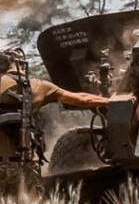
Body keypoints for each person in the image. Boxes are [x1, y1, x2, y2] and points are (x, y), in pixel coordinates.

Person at [1, 46, 108, 190]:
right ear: (21, 64)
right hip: (26, 161)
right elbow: (83, 99)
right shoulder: (38, 86)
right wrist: (112, 101)